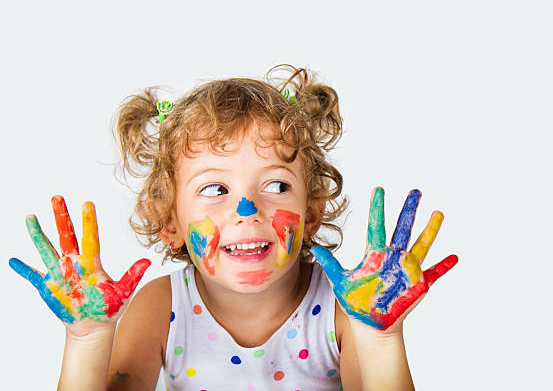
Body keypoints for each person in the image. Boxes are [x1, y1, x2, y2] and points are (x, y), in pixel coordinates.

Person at [9, 64, 458, 390]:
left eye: (276, 184)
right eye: (214, 189)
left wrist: (381, 338)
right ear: (170, 221)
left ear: (312, 214)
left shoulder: (343, 309)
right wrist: (87, 339)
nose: (246, 208)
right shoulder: (162, 307)